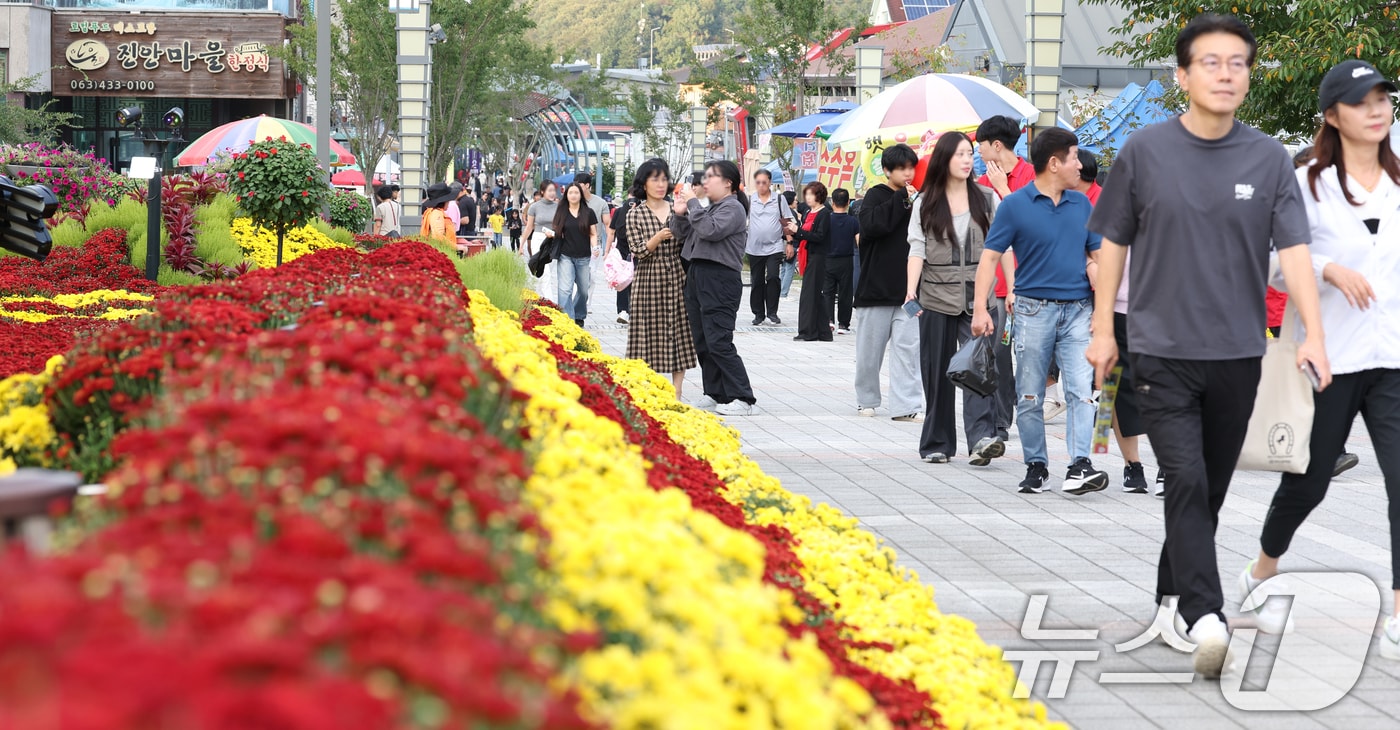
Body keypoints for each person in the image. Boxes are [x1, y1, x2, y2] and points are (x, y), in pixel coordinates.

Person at [1084, 13, 1331, 679]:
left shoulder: (1268, 158)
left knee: (1208, 489)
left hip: (1238, 354)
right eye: (1212, 63)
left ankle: (1170, 599)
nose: (1226, 75)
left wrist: (1314, 334)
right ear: (1183, 75)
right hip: (1160, 350)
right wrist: (1105, 329)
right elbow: (1111, 242)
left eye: (1238, 64)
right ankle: (1207, 615)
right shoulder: (1145, 151)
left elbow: (1295, 251)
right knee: (1185, 478)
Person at [1244, 59, 1400, 653]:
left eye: (1383, 98)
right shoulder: (1304, 179)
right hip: (1328, 357)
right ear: (1333, 115)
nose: (1378, 109)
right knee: (1309, 483)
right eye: (1363, 101)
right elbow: (1269, 258)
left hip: (1393, 357)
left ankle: (1397, 617)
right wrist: (1325, 267)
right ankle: (1262, 567)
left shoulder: (1399, 179)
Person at [971, 127, 1109, 496]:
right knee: (1030, 394)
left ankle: (1080, 463)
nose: (1079, 164)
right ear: (1054, 163)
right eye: (1075, 157)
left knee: (1081, 392)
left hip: (1079, 311)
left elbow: (1097, 257)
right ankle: (1037, 465)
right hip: (1032, 312)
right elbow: (990, 258)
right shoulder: (1015, 205)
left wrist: (1103, 308)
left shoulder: (1082, 204)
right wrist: (981, 309)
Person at [906, 131, 1002, 465]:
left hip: (978, 298)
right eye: (960, 154)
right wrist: (910, 290)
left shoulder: (987, 198)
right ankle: (937, 442)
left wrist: (1012, 288)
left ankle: (982, 439)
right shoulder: (925, 202)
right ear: (944, 159)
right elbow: (917, 248)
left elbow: (1002, 248)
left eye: (969, 153)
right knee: (936, 371)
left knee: (977, 367)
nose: (966, 160)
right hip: (935, 295)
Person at [672, 160, 757, 416]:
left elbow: (710, 231)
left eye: (711, 177)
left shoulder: (733, 208)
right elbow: (681, 234)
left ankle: (743, 396)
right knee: (703, 340)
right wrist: (679, 212)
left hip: (720, 277)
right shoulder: (711, 208)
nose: (705, 182)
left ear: (728, 182)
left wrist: (694, 204)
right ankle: (715, 392)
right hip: (698, 274)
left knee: (719, 339)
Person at [976, 115, 1037, 441]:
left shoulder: (1032, 176)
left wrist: (1003, 189)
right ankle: (999, 422)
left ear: (996, 145)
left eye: (981, 146)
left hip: (1030, 283)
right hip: (996, 286)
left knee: (1030, 357)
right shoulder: (981, 183)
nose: (979, 152)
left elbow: (1033, 223)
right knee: (996, 354)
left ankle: (1027, 415)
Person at [855, 143, 925, 423]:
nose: (909, 173)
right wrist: (901, 200)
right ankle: (867, 400)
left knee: (908, 351)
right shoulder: (876, 195)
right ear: (887, 170)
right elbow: (874, 226)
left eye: (912, 168)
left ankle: (906, 405)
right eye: (902, 168)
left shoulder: (918, 199)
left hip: (908, 292)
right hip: (875, 290)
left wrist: (914, 201)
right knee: (869, 353)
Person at [626, 158, 697, 396]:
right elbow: (637, 251)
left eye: (664, 179)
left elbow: (690, 241)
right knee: (646, 334)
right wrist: (656, 238)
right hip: (647, 281)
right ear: (643, 183)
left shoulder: (678, 209)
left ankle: (677, 391)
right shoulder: (635, 214)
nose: (660, 184)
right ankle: (648, 388)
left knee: (678, 332)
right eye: (654, 179)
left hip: (677, 277)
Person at [746, 169, 791, 325]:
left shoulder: (778, 199)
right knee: (756, 280)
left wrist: (790, 243)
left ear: (770, 182)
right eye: (758, 182)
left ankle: (772, 312)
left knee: (773, 277)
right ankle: (758, 313)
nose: (761, 185)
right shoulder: (750, 200)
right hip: (754, 247)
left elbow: (786, 222)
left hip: (775, 246)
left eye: (764, 182)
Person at [551, 182, 598, 327]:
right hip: (566, 255)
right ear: (566, 194)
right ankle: (568, 320)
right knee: (565, 289)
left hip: (584, 256)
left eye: (576, 192)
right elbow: (557, 231)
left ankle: (579, 315)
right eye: (570, 192)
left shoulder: (588, 212)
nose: (573, 195)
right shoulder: (561, 211)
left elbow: (593, 233)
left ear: (581, 195)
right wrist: (550, 234)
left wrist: (595, 246)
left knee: (583, 290)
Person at [792, 182, 833, 342]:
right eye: (806, 194)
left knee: (810, 294)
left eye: (811, 194)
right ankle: (822, 332)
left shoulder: (824, 213)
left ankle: (808, 331)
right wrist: (793, 232)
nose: (808, 197)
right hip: (807, 253)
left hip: (818, 256)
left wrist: (799, 232)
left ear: (819, 195)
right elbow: (804, 234)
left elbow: (820, 237)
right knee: (814, 294)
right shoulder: (809, 212)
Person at [825, 188, 859, 335]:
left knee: (827, 292)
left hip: (827, 259)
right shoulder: (853, 221)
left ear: (832, 202)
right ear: (847, 203)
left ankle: (828, 320)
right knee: (845, 293)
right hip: (846, 260)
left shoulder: (826, 219)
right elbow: (859, 242)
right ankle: (843, 324)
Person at [523, 181, 562, 297]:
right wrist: (521, 246)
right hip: (538, 239)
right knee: (546, 273)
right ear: (542, 192)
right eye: (549, 191)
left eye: (553, 191)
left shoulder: (559, 207)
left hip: (553, 240)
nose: (552, 193)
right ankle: (549, 301)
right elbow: (529, 227)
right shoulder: (534, 207)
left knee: (546, 271)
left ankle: (536, 297)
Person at [610, 190, 636, 324]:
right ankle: (627, 311)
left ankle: (623, 311)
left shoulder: (620, 211)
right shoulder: (641, 210)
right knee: (631, 282)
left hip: (622, 253)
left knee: (623, 281)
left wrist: (607, 250)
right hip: (635, 252)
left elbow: (611, 232)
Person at [780, 189, 800, 299]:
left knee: (783, 267)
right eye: (795, 200)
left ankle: (780, 290)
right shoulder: (790, 213)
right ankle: (783, 292)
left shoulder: (782, 211)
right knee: (789, 268)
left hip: (782, 242)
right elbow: (793, 229)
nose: (797, 202)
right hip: (791, 243)